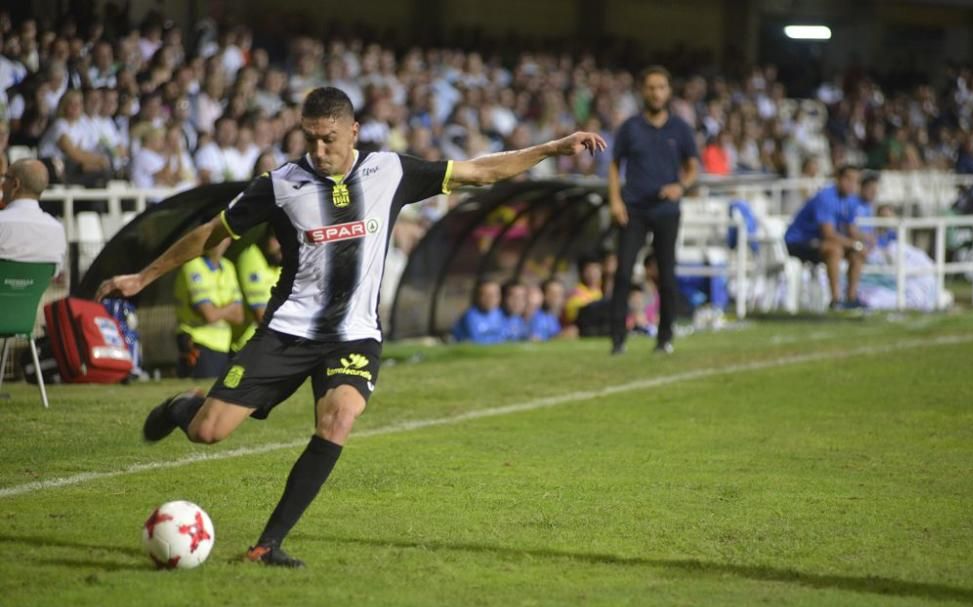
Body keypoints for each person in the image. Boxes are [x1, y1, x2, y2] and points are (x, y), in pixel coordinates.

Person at [97, 86, 605, 567]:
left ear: (354, 131)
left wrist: (554, 147)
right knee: (209, 433)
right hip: (287, 331)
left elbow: (481, 172)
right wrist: (142, 277)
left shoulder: (389, 171)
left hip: (354, 334)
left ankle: (267, 545)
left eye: (329, 138)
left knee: (338, 418)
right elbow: (211, 233)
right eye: (310, 138)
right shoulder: (280, 185)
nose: (319, 149)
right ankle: (186, 407)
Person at [607, 66, 699, 355]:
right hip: (633, 208)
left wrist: (680, 187)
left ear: (668, 91)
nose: (656, 92)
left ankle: (664, 337)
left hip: (665, 210)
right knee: (623, 273)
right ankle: (618, 339)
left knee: (666, 274)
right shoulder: (630, 127)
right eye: (651, 87)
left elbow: (693, 167)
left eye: (661, 87)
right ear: (642, 91)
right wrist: (615, 200)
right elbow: (614, 164)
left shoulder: (680, 128)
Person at [784, 165, 866, 308]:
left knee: (857, 253)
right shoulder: (825, 197)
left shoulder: (850, 201)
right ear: (838, 179)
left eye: (856, 181)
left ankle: (851, 299)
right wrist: (854, 243)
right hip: (798, 242)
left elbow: (852, 230)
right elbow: (828, 234)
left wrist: (864, 241)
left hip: (819, 242)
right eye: (849, 179)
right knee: (834, 249)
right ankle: (835, 300)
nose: (852, 184)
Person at [174, 237, 244, 378]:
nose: (215, 241)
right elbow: (209, 315)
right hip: (198, 342)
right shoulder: (193, 266)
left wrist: (218, 311)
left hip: (223, 345)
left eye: (221, 236)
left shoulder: (228, 267)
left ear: (229, 240)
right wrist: (229, 307)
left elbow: (239, 316)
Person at [0, 159, 67, 266]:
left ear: (15, 185)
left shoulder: (2, 223)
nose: (2, 184)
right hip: (40, 283)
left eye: (5, 178)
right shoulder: (57, 229)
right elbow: (55, 273)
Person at [233, 230, 281, 351]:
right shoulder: (251, 256)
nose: (281, 245)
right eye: (277, 239)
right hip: (248, 347)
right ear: (266, 238)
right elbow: (261, 315)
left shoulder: (278, 263)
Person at [452, 279, 505, 344]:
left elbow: (504, 337)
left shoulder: (499, 314)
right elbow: (476, 341)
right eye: (486, 295)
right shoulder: (470, 316)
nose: (491, 299)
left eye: (495, 295)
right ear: (477, 296)